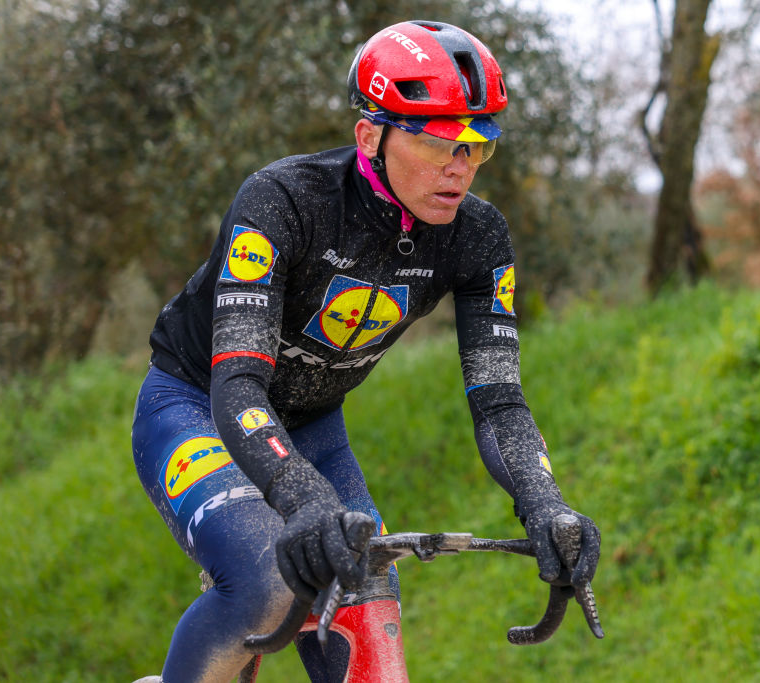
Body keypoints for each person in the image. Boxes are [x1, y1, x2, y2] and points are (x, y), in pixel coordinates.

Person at [131, 19, 600, 683]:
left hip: (315, 426)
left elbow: (498, 401)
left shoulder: (478, 238)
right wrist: (301, 495)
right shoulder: (284, 201)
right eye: (439, 140)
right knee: (269, 579)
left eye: (476, 147)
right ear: (369, 134)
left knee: (369, 601)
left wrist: (544, 500)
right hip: (196, 404)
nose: (458, 166)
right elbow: (236, 384)